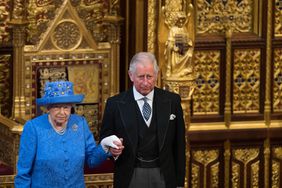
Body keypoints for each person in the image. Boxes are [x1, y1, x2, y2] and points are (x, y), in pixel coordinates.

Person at [100, 52, 186, 188]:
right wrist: (112, 149)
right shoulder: (115, 104)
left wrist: (180, 183)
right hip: (130, 175)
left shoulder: (172, 101)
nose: (146, 82)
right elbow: (105, 138)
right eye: (141, 77)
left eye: (149, 77)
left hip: (164, 174)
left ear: (156, 75)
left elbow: (179, 144)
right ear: (131, 75)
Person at [14, 81, 124, 188]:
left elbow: (92, 161)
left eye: (66, 107)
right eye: (57, 107)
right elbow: (23, 173)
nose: (62, 112)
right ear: (48, 107)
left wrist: (104, 146)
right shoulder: (34, 128)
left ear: (71, 107)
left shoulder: (80, 123)